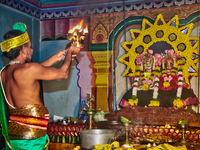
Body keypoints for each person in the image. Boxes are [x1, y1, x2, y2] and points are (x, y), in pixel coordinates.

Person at [0, 22, 80, 150]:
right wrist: (70, 54)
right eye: (30, 47)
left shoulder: (4, 72)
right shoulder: (29, 69)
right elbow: (63, 73)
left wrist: (57, 57)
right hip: (32, 139)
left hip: (15, 137)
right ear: (23, 49)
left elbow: (35, 70)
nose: (31, 50)